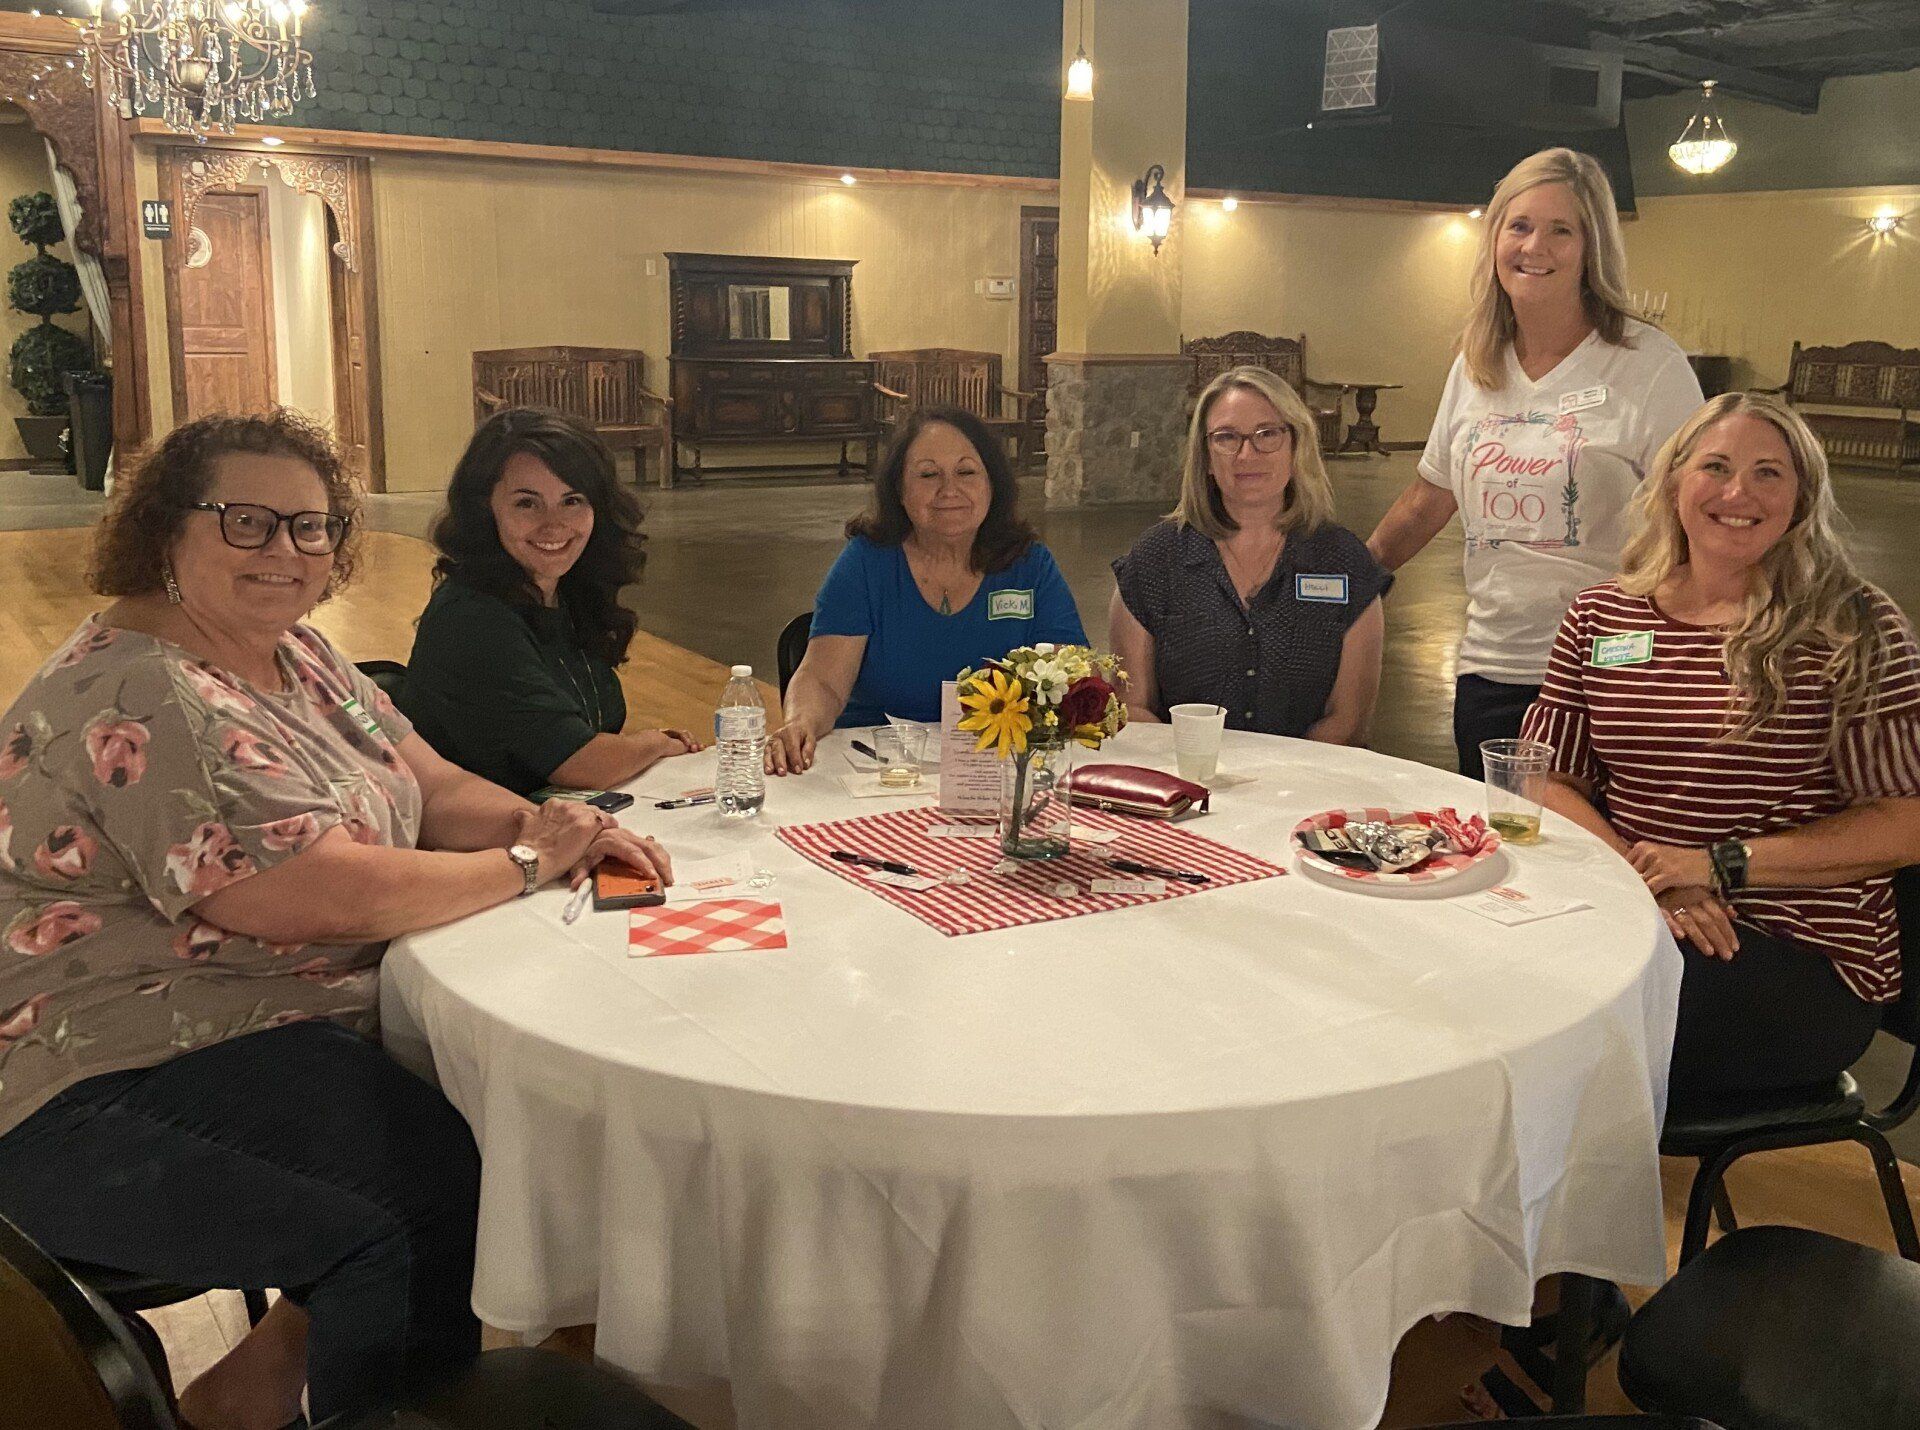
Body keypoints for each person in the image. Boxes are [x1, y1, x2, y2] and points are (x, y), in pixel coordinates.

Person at [0, 411, 674, 1429]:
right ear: (163, 529)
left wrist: (552, 822)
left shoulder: (295, 653)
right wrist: (529, 861)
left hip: (228, 1024)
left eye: (311, 528)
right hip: (87, 1085)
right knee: (416, 1207)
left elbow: (433, 781)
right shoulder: (149, 686)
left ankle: (245, 1397)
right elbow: (295, 892)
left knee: (473, 1135)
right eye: (248, 522)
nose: (286, 551)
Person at [1522, 392, 1920, 1105]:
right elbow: (1545, 778)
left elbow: (1904, 821)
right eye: (1716, 466)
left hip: (1791, 952)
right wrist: (1654, 883)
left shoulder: (1851, 624)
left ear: (1801, 498)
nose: (1739, 493)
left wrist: (1716, 866)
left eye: (1770, 473)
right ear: (1674, 483)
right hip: (1634, 915)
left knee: (1540, 1034)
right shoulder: (1603, 614)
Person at [1366, 146, 1704, 779]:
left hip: (1610, 672)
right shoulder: (1476, 365)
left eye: (1561, 230)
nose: (1534, 247)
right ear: (1495, 237)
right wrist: (1344, 583)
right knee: (1505, 854)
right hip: (1493, 666)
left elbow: (1696, 522)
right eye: (1518, 226)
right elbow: (1427, 498)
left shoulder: (1648, 365)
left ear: (1591, 246)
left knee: (1608, 861)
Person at [400, 408, 705, 798]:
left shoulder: (565, 592)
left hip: (551, 817)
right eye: (527, 504)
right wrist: (655, 743)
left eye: (572, 500)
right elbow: (583, 763)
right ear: (485, 508)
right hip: (484, 843)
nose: (555, 524)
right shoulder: (472, 619)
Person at [769, 405, 1086, 774]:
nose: (949, 489)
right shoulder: (867, 563)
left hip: (995, 770)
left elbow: (1071, 675)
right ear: (899, 491)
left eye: (966, 472)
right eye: (928, 474)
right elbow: (822, 681)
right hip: (877, 769)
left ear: (992, 485)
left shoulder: (1029, 565)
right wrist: (800, 722)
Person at [1108, 366, 1389, 742]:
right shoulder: (1156, 559)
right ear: (1206, 457)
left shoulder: (1343, 562)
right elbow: (1132, 707)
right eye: (1226, 437)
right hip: (1188, 787)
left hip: (1312, 788)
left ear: (1296, 445)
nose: (1247, 453)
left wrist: (1281, 789)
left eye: (1267, 434)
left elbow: (1348, 720)